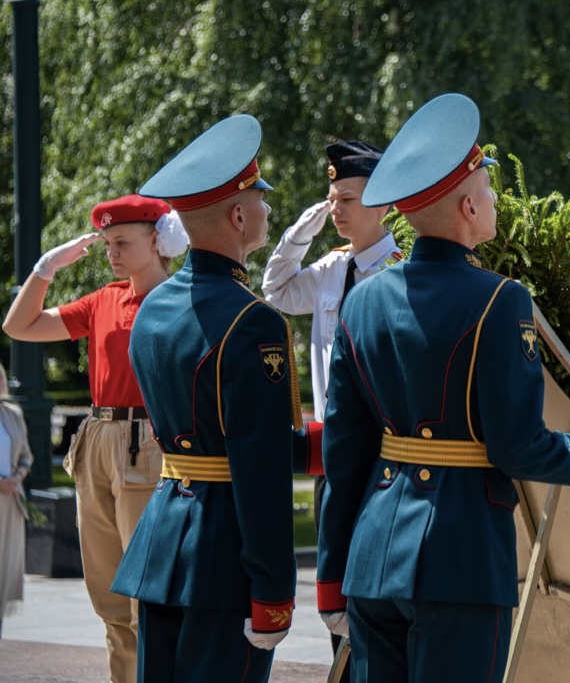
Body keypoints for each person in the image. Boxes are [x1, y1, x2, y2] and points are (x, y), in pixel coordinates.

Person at [315, 93, 570, 683]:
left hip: (371, 561)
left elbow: (345, 452)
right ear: (470, 207)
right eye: (489, 190)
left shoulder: (362, 302)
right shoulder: (501, 301)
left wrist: (330, 577)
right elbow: (516, 445)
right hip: (461, 559)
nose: (494, 200)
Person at [109, 114, 323, 683]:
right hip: (223, 560)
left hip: (163, 547)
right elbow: (258, 468)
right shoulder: (253, 321)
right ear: (237, 216)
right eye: (260, 198)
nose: (268, 211)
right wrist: (274, 589)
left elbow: (200, 426)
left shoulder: (152, 306)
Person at [2, 193, 188, 682]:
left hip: (148, 440)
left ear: (159, 239)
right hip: (100, 438)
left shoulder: (181, 299)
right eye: (107, 242)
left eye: (122, 241)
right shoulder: (105, 298)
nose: (112, 252)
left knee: (144, 590)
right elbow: (18, 325)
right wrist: (45, 270)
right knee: (107, 592)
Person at [262, 139, 400, 677]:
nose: (336, 208)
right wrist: (301, 231)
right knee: (332, 583)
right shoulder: (329, 269)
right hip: (328, 451)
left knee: (371, 583)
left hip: (379, 450)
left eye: (346, 198)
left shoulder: (397, 270)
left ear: (384, 202)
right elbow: (275, 291)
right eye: (332, 197)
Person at [0, 362, 35, 638]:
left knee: (5, 570)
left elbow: (26, 456)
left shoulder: (13, 414)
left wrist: (17, 477)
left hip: (10, 503)